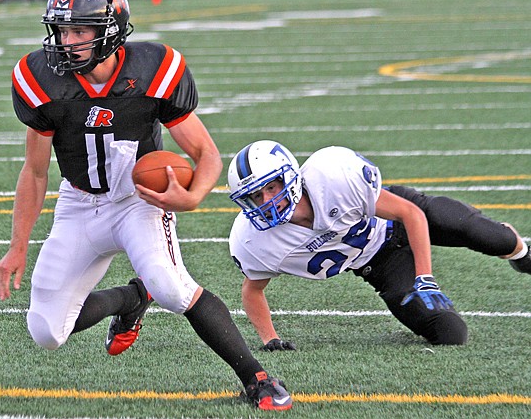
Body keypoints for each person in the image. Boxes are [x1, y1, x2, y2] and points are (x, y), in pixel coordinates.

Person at [0, 0, 292, 411]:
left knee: (172, 288)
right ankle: (132, 297)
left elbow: (205, 154)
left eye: (79, 30)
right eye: (61, 30)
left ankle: (258, 378)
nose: (66, 40)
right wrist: (18, 244)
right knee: (46, 330)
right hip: (80, 204)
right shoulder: (40, 79)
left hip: (140, 201)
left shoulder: (153, 69)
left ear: (110, 29)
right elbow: (35, 172)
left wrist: (191, 198)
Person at [227, 140, 530, 350]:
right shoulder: (254, 240)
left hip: (398, 218)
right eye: (256, 196)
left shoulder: (332, 176)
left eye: (271, 187)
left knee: (496, 239)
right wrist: (270, 339)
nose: (266, 201)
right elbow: (253, 289)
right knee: (451, 334)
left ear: (289, 176)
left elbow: (409, 214)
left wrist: (425, 278)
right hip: (380, 262)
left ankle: (521, 253)